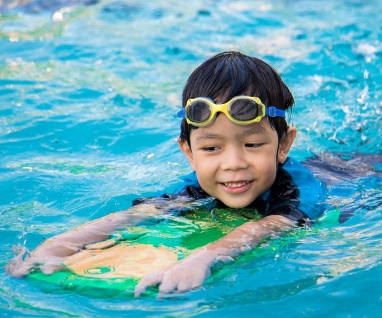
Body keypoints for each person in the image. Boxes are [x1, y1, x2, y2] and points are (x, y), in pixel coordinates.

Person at [6, 51, 328, 297]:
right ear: (188, 152)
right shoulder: (199, 187)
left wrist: (203, 258)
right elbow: (135, 215)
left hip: (353, 174)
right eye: (211, 149)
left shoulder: (297, 189)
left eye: (253, 143)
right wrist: (57, 245)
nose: (233, 163)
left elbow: (271, 226)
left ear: (283, 144)